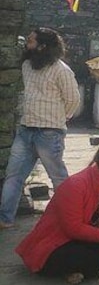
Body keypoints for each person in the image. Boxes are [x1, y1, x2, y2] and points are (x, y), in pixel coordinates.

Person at [15, 138, 99, 284]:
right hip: (59, 242)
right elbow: (73, 228)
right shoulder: (75, 185)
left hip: (91, 238)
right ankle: (72, 270)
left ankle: (82, 270)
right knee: (96, 258)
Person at [0, 27, 81, 228]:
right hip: (26, 129)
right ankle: (5, 219)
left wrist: (59, 119)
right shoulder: (27, 65)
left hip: (49, 133)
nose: (27, 44)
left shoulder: (62, 70)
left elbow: (73, 100)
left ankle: (67, 219)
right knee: (14, 176)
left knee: (58, 178)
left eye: (31, 41)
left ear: (42, 46)